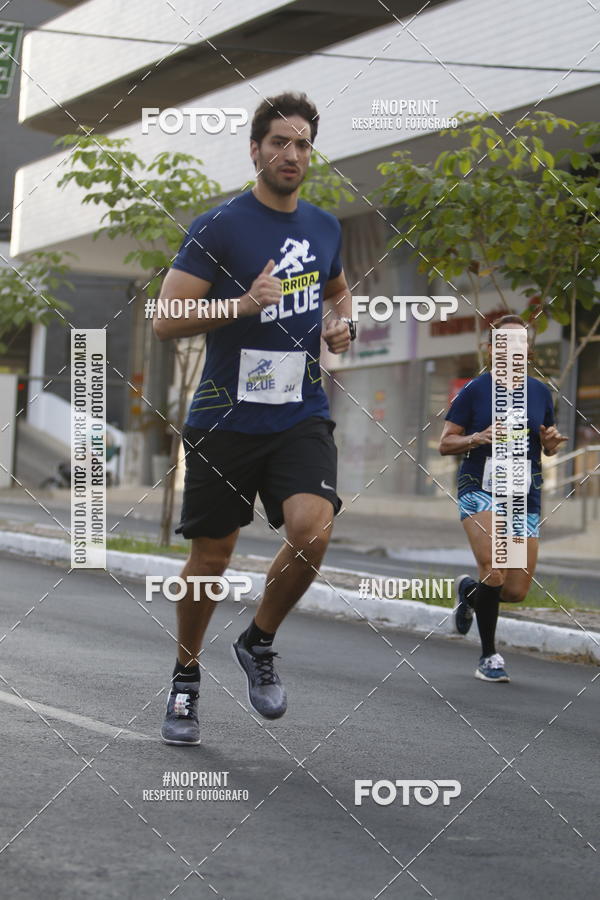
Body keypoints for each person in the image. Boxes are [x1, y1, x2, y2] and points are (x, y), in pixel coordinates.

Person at [153, 92, 355, 744]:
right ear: (256, 150)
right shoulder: (219, 226)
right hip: (224, 418)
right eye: (279, 143)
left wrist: (340, 321)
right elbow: (165, 321)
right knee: (211, 557)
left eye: (301, 144)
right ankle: (185, 677)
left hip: (300, 411)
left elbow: (337, 288)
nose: (291, 154)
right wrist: (241, 305)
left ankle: (258, 640)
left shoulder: (325, 227)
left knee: (312, 529)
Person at [439, 315, 567, 683]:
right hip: (480, 487)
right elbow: (446, 442)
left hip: (522, 494)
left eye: (521, 342)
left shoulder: (541, 393)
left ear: (528, 350)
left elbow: (544, 442)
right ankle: (488, 657)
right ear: (492, 350)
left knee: (514, 589)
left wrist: (550, 444)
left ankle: (469, 592)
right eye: (505, 342)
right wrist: (478, 437)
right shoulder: (475, 391)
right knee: (495, 567)